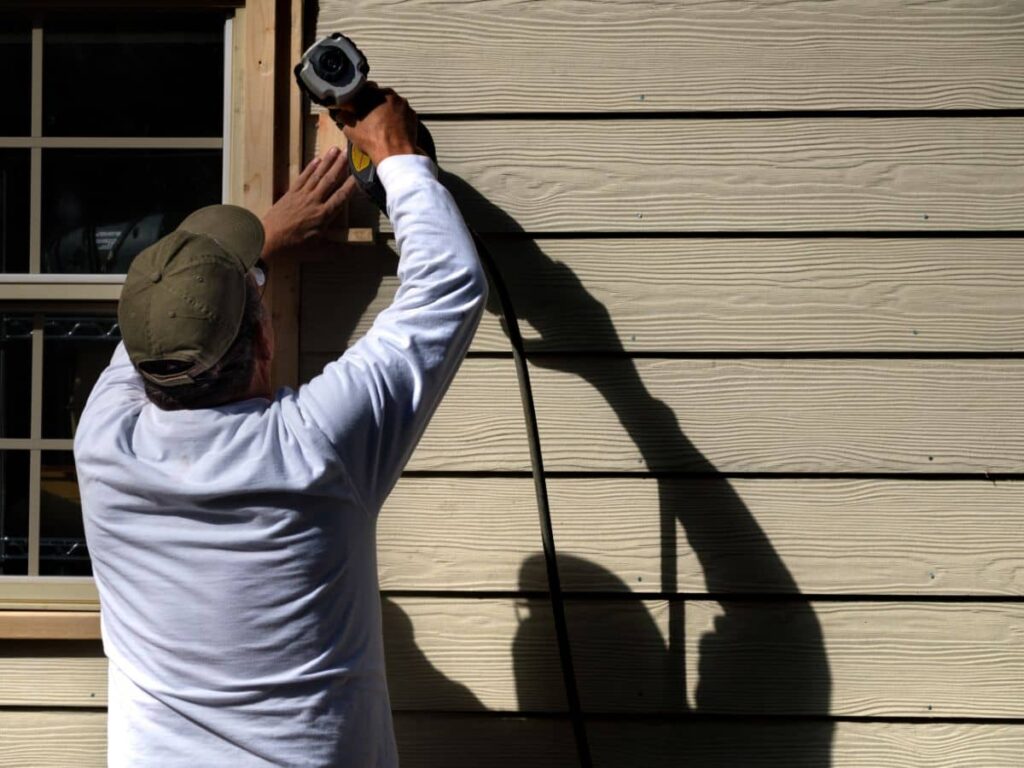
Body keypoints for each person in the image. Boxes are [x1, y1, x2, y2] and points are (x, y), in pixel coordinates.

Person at [73, 87, 487, 766]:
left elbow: (166, 330)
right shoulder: (315, 447)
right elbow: (447, 285)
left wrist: (262, 239)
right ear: (265, 342)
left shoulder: (102, 438)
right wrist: (399, 157)